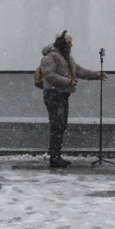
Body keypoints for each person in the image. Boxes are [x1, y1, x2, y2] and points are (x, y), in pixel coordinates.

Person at [39, 30, 107, 168]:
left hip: (62, 95)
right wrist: (68, 82)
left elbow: (78, 71)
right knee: (57, 126)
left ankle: (56, 156)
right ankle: (54, 157)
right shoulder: (50, 57)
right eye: (69, 43)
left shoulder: (66, 57)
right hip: (53, 95)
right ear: (63, 43)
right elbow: (49, 75)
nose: (71, 45)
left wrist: (96, 75)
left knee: (60, 126)